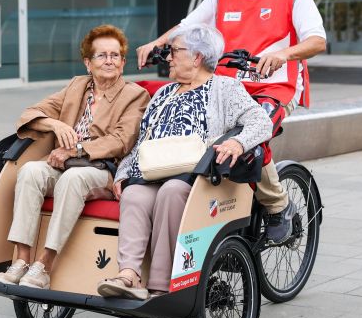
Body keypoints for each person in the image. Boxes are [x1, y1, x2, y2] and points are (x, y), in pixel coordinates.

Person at [135, 0, 327, 244]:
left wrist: (284, 53)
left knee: (252, 133)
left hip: (275, 87)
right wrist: (155, 43)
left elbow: (318, 40)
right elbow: (189, 25)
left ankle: (279, 206)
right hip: (228, 87)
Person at [97, 23, 272, 299]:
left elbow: (261, 122)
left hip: (199, 178)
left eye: (174, 51)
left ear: (197, 57)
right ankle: (128, 275)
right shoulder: (164, 94)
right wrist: (123, 171)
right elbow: (143, 142)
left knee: (170, 192)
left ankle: (161, 286)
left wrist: (236, 142)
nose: (168, 57)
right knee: (133, 194)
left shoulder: (225, 89)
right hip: (155, 171)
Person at [0, 25, 150, 289]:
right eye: (101, 55)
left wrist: (76, 150)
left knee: (73, 179)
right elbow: (30, 114)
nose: (109, 61)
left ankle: (44, 264)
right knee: (30, 171)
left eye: (115, 55)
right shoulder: (77, 86)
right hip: (61, 163)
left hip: (101, 167)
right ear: (88, 63)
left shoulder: (135, 95)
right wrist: (56, 126)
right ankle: (21, 260)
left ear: (123, 63)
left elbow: (121, 140)